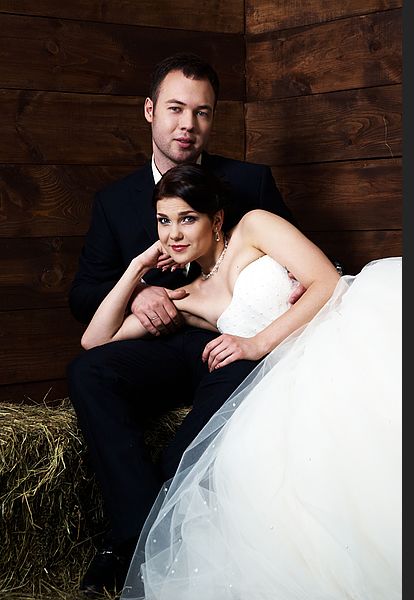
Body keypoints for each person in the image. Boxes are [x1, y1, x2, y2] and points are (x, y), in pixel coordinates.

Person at [82, 164, 401, 600]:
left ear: (215, 221)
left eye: (187, 218)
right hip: (284, 374)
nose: (173, 234)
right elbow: (94, 343)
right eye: (163, 220)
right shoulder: (187, 296)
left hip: (334, 334)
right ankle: (137, 541)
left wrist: (254, 344)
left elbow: (325, 280)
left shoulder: (254, 227)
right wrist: (135, 270)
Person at [68, 53, 298, 597]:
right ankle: (139, 531)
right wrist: (141, 287)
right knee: (89, 373)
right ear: (150, 112)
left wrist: (258, 332)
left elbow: (302, 268)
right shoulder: (114, 202)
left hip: (240, 344)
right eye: (175, 109)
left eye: (202, 112)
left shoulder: (251, 184)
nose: (187, 125)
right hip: (162, 340)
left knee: (188, 446)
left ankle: (127, 545)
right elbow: (84, 299)